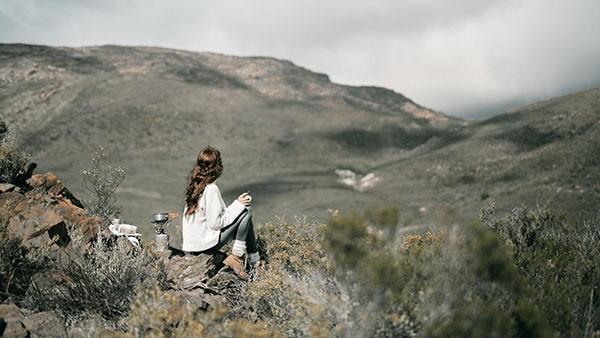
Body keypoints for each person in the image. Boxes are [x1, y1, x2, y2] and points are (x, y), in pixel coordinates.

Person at [181, 146, 260, 280]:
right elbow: (215, 223)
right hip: (204, 245)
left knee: (243, 213)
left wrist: (237, 203)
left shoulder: (195, 186)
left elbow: (215, 216)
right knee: (247, 211)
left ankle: (254, 259)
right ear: (218, 167)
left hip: (192, 245)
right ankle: (239, 258)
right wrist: (239, 205)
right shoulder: (211, 189)